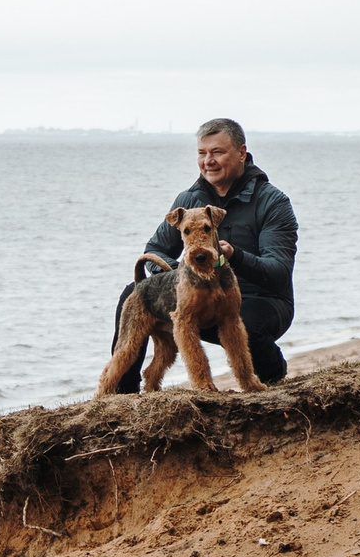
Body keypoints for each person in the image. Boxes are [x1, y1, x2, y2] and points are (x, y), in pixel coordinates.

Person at [109, 118, 296, 390]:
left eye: (217, 152)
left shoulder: (273, 202)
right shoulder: (188, 200)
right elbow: (155, 249)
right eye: (202, 153)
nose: (208, 161)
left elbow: (278, 272)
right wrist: (180, 277)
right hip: (198, 295)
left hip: (261, 299)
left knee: (246, 324)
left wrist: (234, 256)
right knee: (134, 292)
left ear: (241, 153)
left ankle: (271, 371)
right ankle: (122, 391)